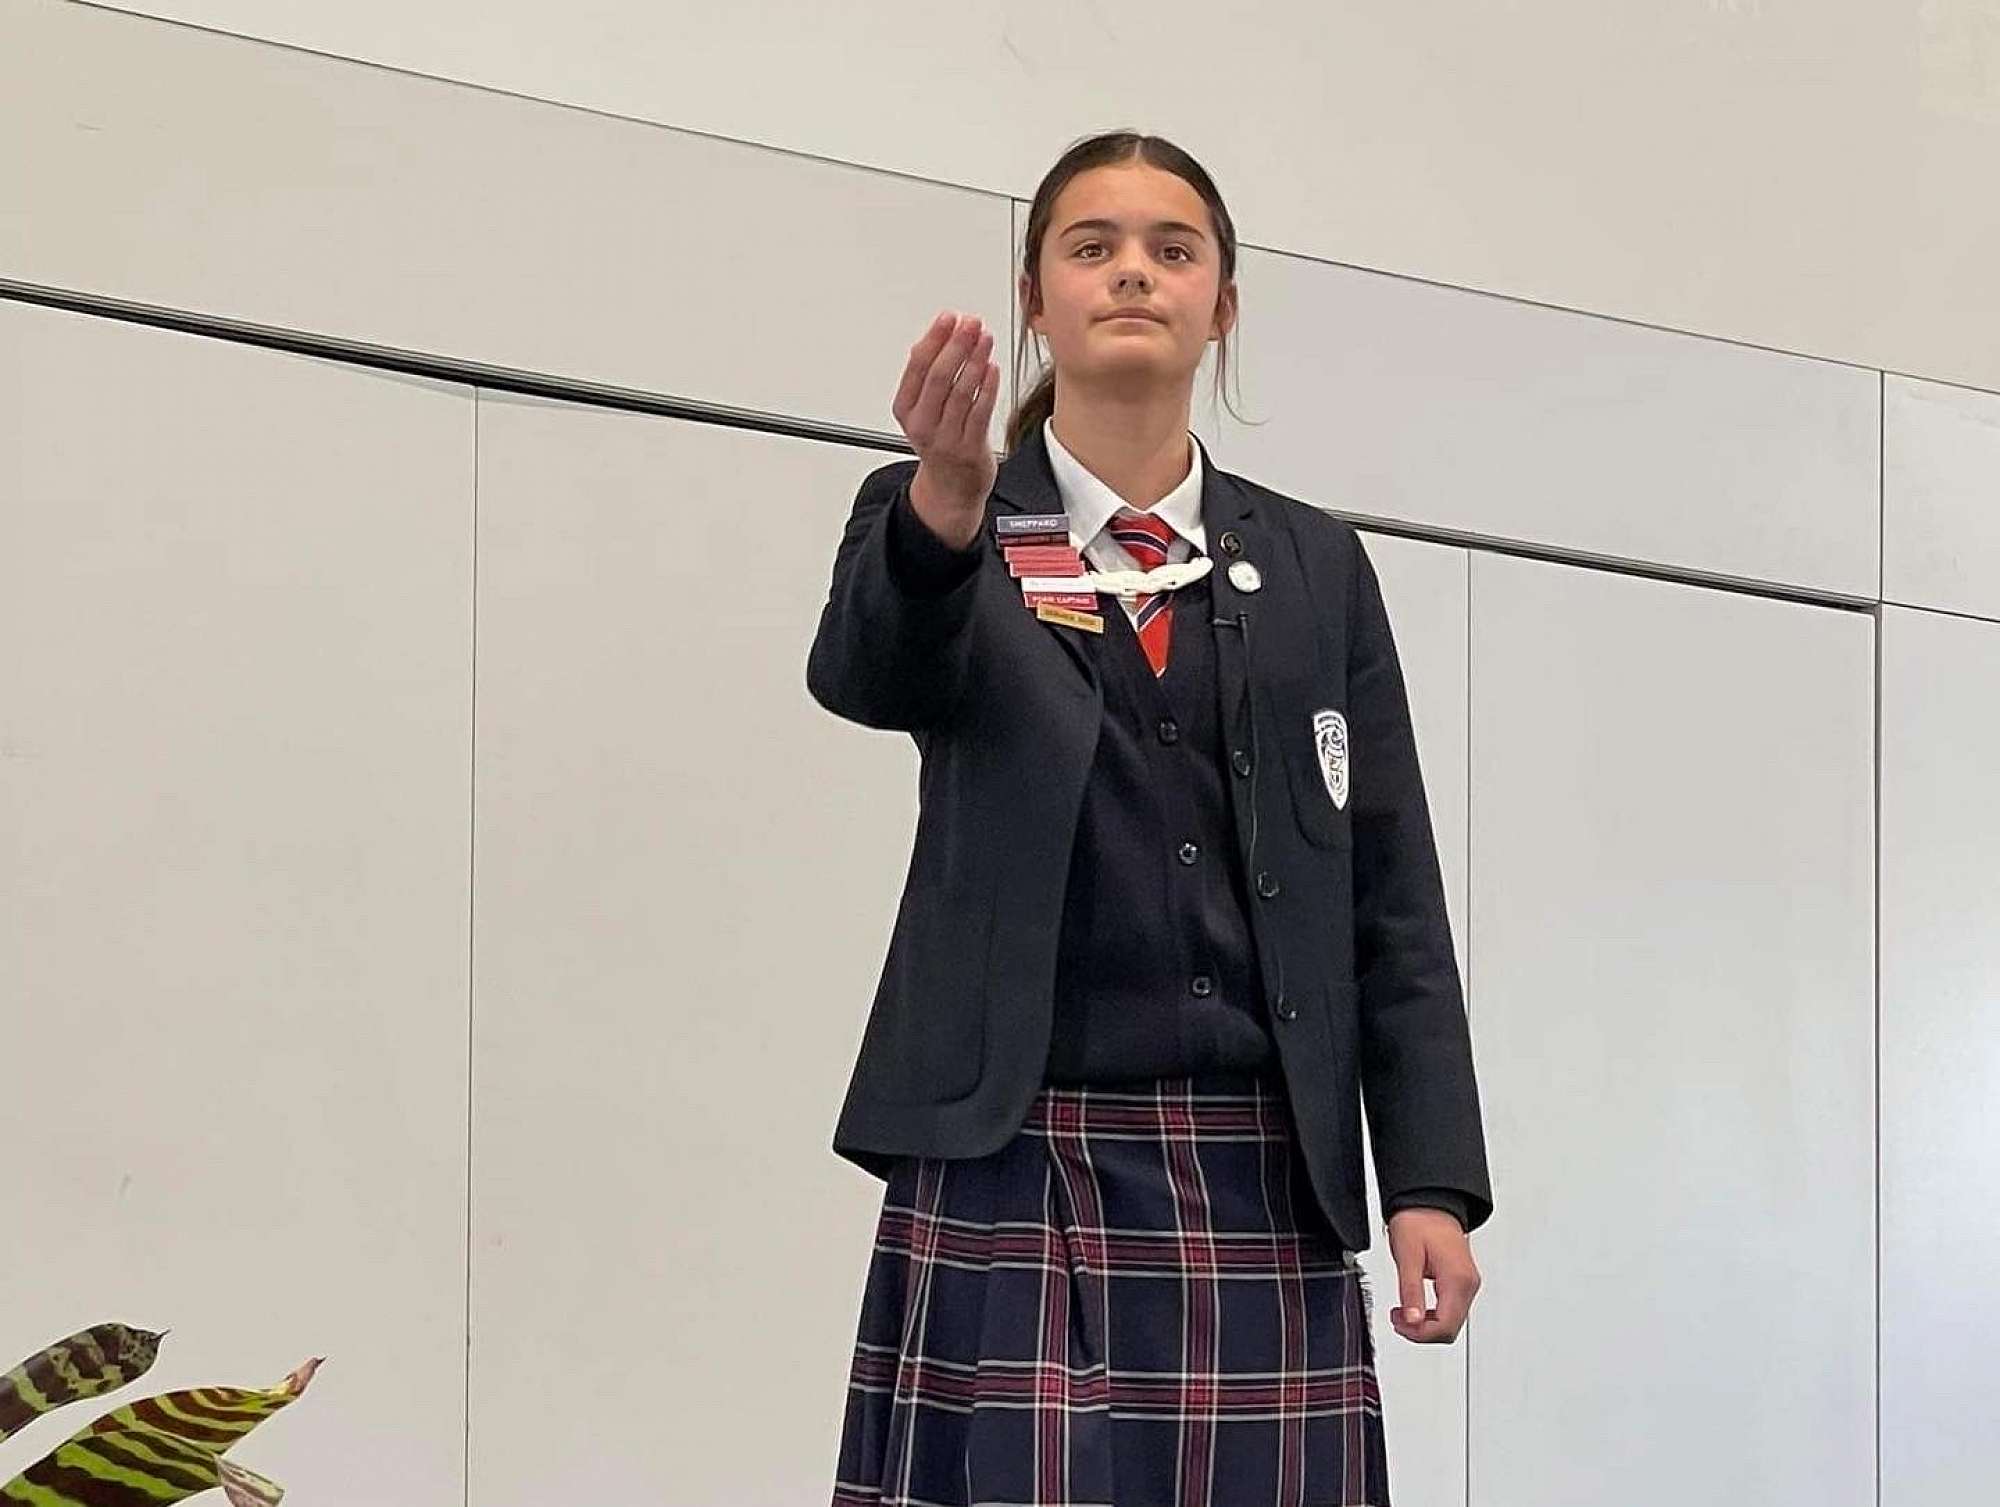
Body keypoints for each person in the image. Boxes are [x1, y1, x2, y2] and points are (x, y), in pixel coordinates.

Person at [809, 129, 1492, 1507]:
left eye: (1173, 251)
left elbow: (1389, 885)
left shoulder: (1314, 563)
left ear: (1222, 305)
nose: (1134, 272)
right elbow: (866, 677)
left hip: (1262, 1164)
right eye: (1093, 247)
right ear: (1034, 297)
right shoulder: (941, 516)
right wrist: (943, 505)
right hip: (1012, 1152)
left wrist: (1428, 1176)